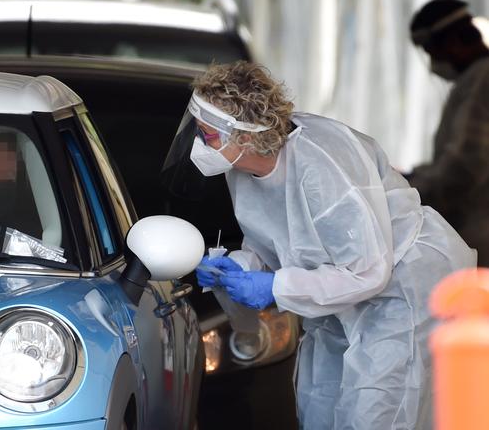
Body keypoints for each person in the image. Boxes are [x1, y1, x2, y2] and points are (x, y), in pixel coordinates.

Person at [161, 61, 476, 429]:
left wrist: (276, 286)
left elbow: (368, 271)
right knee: (321, 404)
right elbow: (277, 238)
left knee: (377, 412)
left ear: (245, 136)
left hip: (403, 289)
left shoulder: (322, 168)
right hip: (339, 296)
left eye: (208, 134)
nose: (200, 144)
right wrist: (243, 266)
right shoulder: (243, 167)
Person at [409, 0, 489, 265]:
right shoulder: (476, 78)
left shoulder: (482, 80)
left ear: (452, 42)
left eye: (431, 51)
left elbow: (462, 167)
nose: (433, 61)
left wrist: (406, 193)